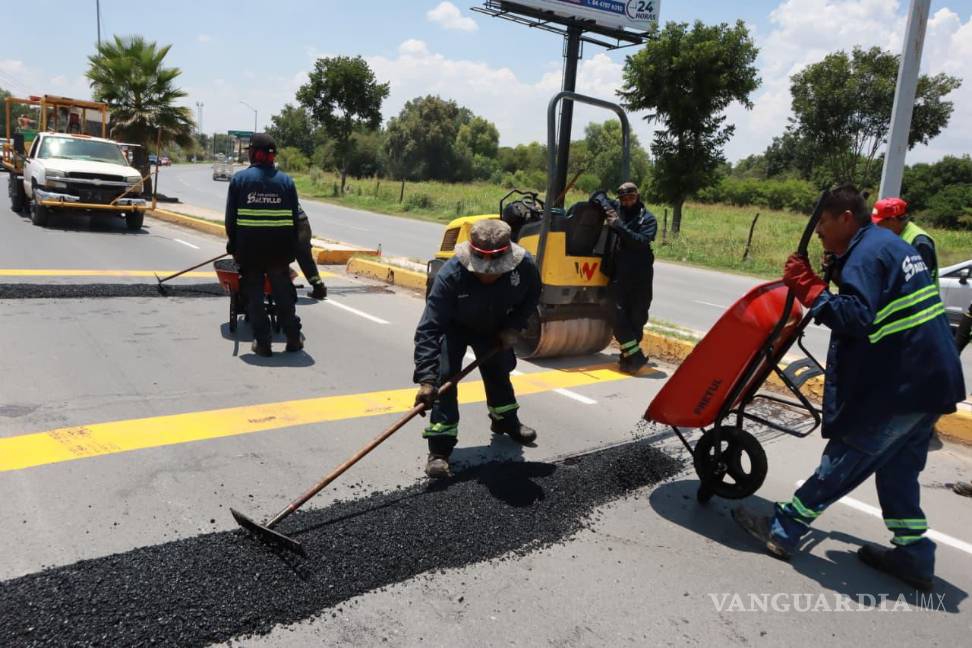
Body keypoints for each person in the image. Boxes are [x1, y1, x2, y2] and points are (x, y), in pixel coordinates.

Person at [732, 184, 965, 591]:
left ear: (845, 219)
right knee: (897, 470)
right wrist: (835, 273)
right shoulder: (884, 245)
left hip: (904, 383)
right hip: (931, 379)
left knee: (848, 454)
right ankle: (913, 555)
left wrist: (811, 288)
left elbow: (856, 318)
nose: (818, 231)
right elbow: (878, 303)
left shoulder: (867, 253)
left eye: (822, 222)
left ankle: (783, 528)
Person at [413, 219, 541, 478]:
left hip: (496, 327)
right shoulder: (450, 275)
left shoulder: (524, 266)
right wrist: (426, 379)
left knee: (499, 372)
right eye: (482, 269)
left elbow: (532, 296)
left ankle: (506, 421)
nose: (488, 274)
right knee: (445, 377)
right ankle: (439, 450)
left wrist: (513, 327)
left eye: (495, 270)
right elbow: (429, 328)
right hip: (455, 327)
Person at [224, 133, 302, 357]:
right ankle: (294, 339)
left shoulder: (240, 180)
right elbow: (295, 222)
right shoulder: (286, 182)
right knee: (283, 294)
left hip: (250, 252)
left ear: (254, 153)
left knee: (254, 296)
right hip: (279, 252)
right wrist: (291, 249)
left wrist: (234, 245)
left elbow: (231, 221)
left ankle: (263, 343)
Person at [592, 182, 658, 374]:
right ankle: (634, 355)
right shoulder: (616, 209)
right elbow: (597, 194)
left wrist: (619, 226)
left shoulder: (647, 219)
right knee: (617, 314)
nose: (627, 202)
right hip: (618, 273)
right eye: (623, 199)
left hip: (640, 275)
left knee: (637, 316)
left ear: (637, 196)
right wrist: (607, 208)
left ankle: (628, 358)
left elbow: (639, 241)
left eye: (631, 198)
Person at [870, 196, 939, 283]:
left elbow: (920, 280)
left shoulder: (920, 242)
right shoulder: (892, 235)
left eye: (879, 223)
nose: (876, 227)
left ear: (893, 220)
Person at [295, 204, 327, 300]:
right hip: (302, 223)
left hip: (286, 225)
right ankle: (319, 287)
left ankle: (280, 285)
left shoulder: (256, 191)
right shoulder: (288, 188)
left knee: (276, 256)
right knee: (306, 259)